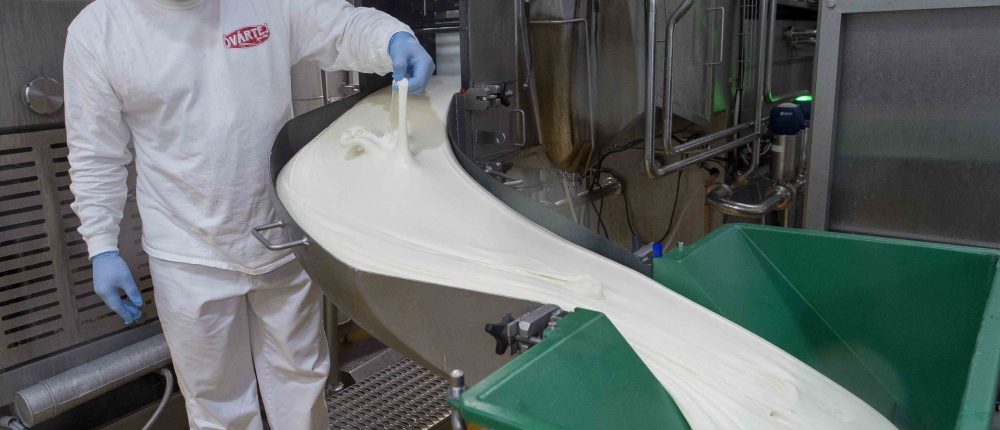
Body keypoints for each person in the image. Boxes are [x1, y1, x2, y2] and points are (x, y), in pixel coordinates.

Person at [63, 0, 434, 427]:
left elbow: (340, 26)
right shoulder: (101, 30)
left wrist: (391, 38)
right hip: (188, 253)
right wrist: (101, 246)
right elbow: (96, 154)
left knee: (301, 381)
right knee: (217, 400)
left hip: (279, 236)